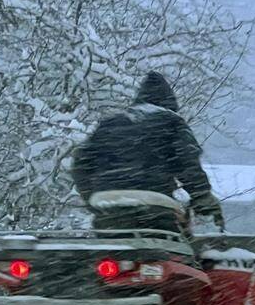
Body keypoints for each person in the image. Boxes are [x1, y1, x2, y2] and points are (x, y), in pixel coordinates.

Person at [72, 72, 224, 232]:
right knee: (175, 246)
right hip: (154, 205)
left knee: (109, 243)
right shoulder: (171, 122)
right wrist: (202, 197)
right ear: (170, 101)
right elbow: (187, 163)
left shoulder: (109, 124)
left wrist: (92, 197)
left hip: (108, 205)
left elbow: (81, 163)